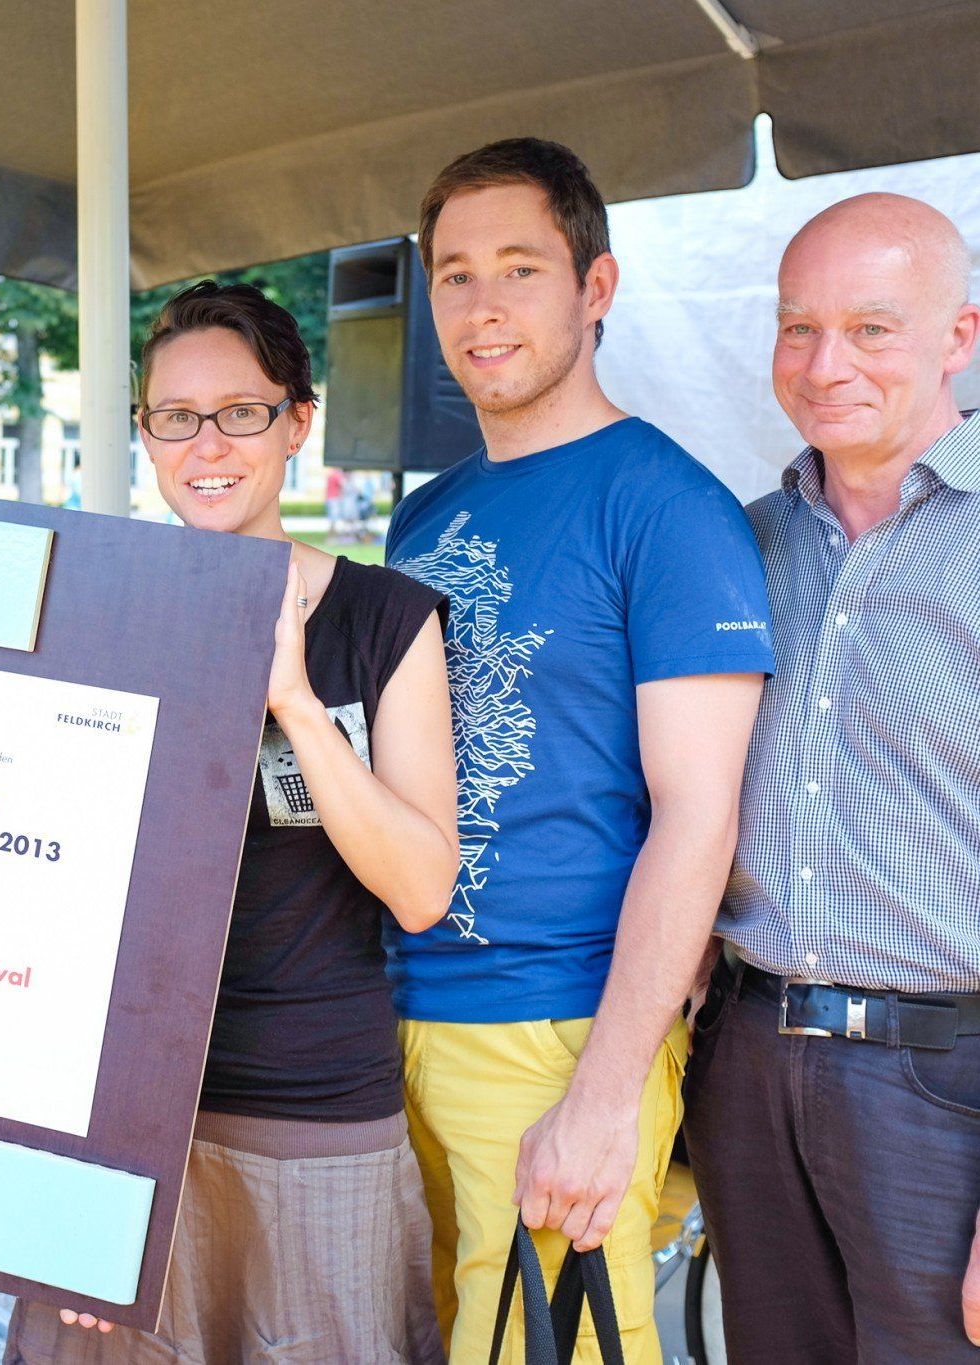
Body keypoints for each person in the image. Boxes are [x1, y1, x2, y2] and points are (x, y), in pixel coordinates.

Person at [7, 281, 458, 1363]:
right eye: (175, 416)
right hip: (116, 1120)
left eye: (241, 411)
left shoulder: (386, 618)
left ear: (296, 421)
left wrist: (296, 706)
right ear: (142, 433)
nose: (206, 443)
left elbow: (420, 887)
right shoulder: (92, 610)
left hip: (311, 1112)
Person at [382, 138, 772, 1364]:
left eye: (517, 268)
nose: (481, 306)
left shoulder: (668, 507)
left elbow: (697, 816)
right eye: (453, 274)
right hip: (390, 1013)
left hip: (555, 1029)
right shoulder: (425, 512)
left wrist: (606, 1095)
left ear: (593, 289)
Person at [685, 193, 980, 1363]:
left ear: (958, 337)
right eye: (795, 326)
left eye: (869, 328)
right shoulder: (733, 544)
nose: (822, 364)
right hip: (748, 1060)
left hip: (942, 1082)